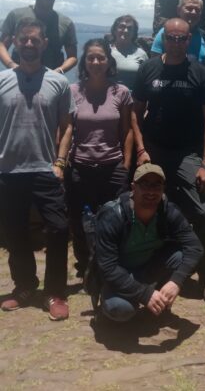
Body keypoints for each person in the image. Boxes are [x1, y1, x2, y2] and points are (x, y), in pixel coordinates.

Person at [131, 17, 205, 304]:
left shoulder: (200, 72)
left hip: (187, 153)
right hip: (154, 150)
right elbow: (135, 112)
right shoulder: (149, 69)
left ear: (189, 38)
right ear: (163, 38)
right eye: (172, 37)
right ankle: (153, 268)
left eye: (182, 38)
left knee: (203, 212)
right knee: (148, 207)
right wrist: (141, 150)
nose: (177, 43)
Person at [0, 18, 74, 321]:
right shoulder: (2, 80)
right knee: (14, 233)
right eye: (23, 39)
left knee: (58, 229)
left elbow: (67, 126)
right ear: (15, 42)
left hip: (45, 168)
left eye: (35, 40)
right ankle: (25, 287)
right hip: (8, 170)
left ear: (45, 44)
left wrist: (60, 162)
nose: (29, 44)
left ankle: (54, 291)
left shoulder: (58, 82)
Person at [95, 163, 204, 322]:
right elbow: (108, 268)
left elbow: (195, 247)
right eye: (144, 184)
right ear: (133, 187)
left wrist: (176, 281)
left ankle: (157, 298)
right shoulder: (113, 216)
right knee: (119, 309)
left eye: (157, 185)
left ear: (163, 189)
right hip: (120, 274)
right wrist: (144, 294)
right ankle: (110, 304)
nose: (151, 191)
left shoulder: (168, 211)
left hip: (149, 268)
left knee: (181, 257)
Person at [65, 38, 133, 278]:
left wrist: (125, 164)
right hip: (80, 165)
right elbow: (66, 129)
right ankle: (85, 263)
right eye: (90, 57)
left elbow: (127, 130)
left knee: (114, 217)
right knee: (77, 218)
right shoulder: (73, 92)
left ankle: (109, 262)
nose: (95, 62)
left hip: (112, 165)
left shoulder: (120, 92)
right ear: (84, 61)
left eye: (100, 57)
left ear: (108, 61)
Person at [0, 0, 77, 74]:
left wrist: (58, 72)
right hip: (18, 76)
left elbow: (72, 56)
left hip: (51, 79)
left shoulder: (66, 23)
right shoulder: (16, 15)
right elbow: (2, 45)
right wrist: (11, 65)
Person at [150, 0, 205, 68]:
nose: (193, 12)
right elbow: (153, 64)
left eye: (197, 10)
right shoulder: (166, 33)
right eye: (189, 8)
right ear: (178, 10)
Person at [109, 15, 148, 91]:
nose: (126, 30)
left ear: (134, 33)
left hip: (133, 100)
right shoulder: (106, 52)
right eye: (122, 27)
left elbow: (146, 80)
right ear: (114, 30)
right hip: (109, 99)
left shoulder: (142, 54)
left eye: (130, 28)